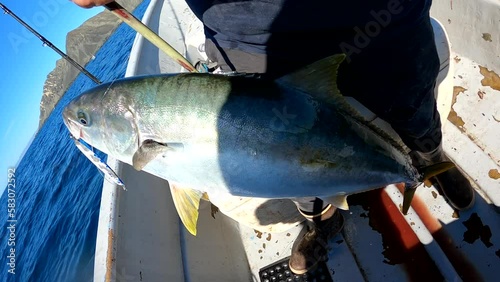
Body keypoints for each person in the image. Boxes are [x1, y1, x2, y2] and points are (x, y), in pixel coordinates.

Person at [73, 0, 475, 275]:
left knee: (415, 104)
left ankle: (427, 163)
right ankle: (323, 219)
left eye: (86, 121)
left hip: (386, 15)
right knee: (288, 150)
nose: (80, 128)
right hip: (252, 38)